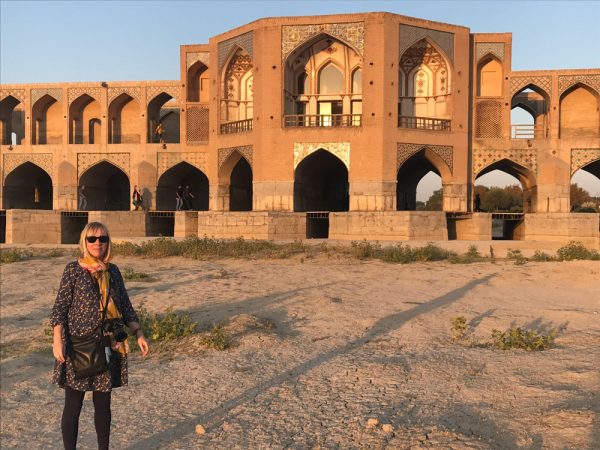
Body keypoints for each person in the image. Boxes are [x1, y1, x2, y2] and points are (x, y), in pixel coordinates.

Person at [51, 222, 149, 450]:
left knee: (103, 404)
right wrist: (57, 339)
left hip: (108, 344)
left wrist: (139, 333)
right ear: (84, 242)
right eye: (92, 239)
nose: (97, 243)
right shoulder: (73, 270)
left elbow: (125, 306)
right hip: (78, 345)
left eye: (102, 239)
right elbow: (60, 309)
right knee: (73, 406)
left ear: (108, 242)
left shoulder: (112, 271)